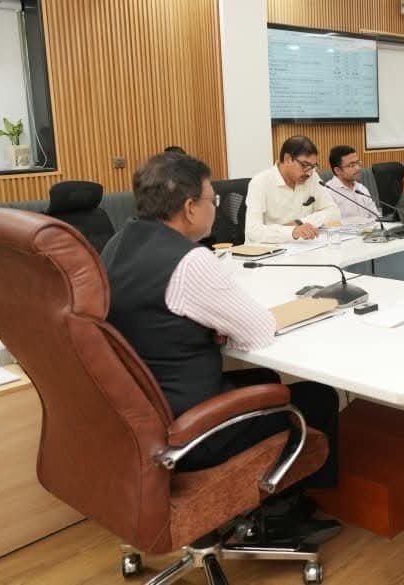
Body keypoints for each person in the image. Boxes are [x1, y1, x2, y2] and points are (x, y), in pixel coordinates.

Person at [101, 152, 341, 543]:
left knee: (265, 377)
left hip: (144, 416)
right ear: (189, 208)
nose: (215, 208)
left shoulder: (117, 243)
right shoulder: (189, 261)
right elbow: (258, 331)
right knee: (317, 397)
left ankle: (265, 502)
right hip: (192, 430)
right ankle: (282, 516)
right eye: (212, 200)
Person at [244, 136, 339, 243]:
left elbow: (334, 212)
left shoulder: (312, 177)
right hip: (269, 248)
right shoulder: (260, 182)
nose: (309, 173)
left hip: (302, 246)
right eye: (305, 165)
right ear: (288, 159)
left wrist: (299, 223)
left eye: (313, 166)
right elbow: (253, 231)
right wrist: (292, 231)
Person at [326, 145, 380, 222]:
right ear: (338, 170)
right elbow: (331, 223)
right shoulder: (328, 192)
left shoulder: (361, 189)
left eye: (357, 163)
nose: (357, 168)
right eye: (351, 165)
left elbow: (376, 217)